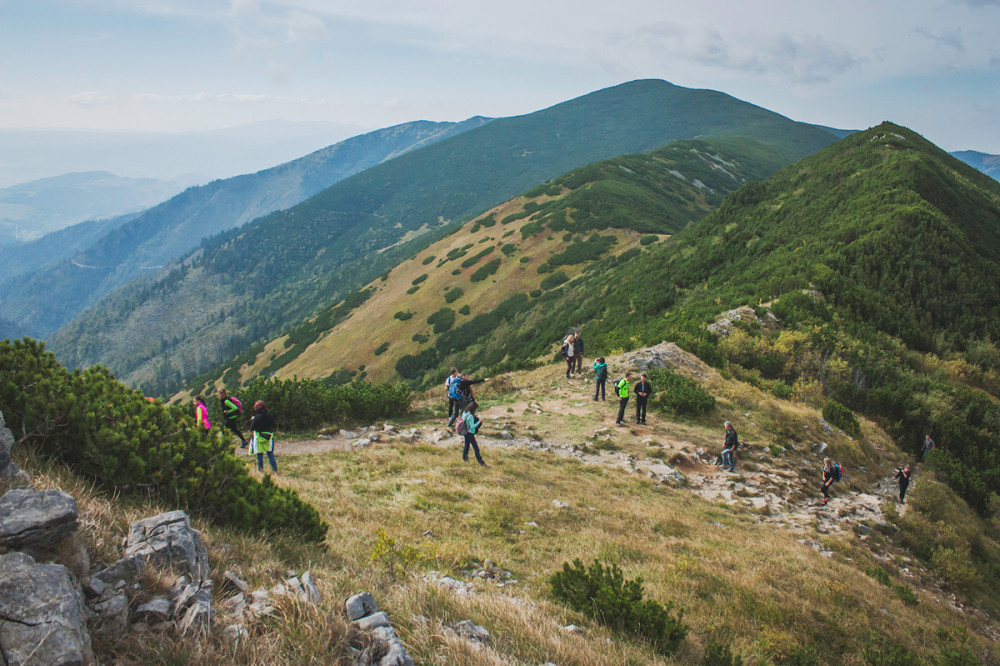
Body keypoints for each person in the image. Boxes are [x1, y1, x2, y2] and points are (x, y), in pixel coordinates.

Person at [249, 400, 278, 474]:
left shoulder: (257, 417)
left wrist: (253, 420)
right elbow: (274, 425)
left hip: (259, 437)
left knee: (259, 454)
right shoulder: (270, 415)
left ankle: (260, 470)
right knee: (270, 453)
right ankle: (275, 470)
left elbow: (252, 428)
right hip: (268, 437)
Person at [459, 401, 487, 466]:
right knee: (476, 448)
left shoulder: (464, 412)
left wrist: (473, 416)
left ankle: (465, 459)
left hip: (465, 432)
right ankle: (481, 462)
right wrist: (479, 422)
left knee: (466, 446)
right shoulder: (470, 416)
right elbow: (473, 426)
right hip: (470, 433)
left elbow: (465, 419)